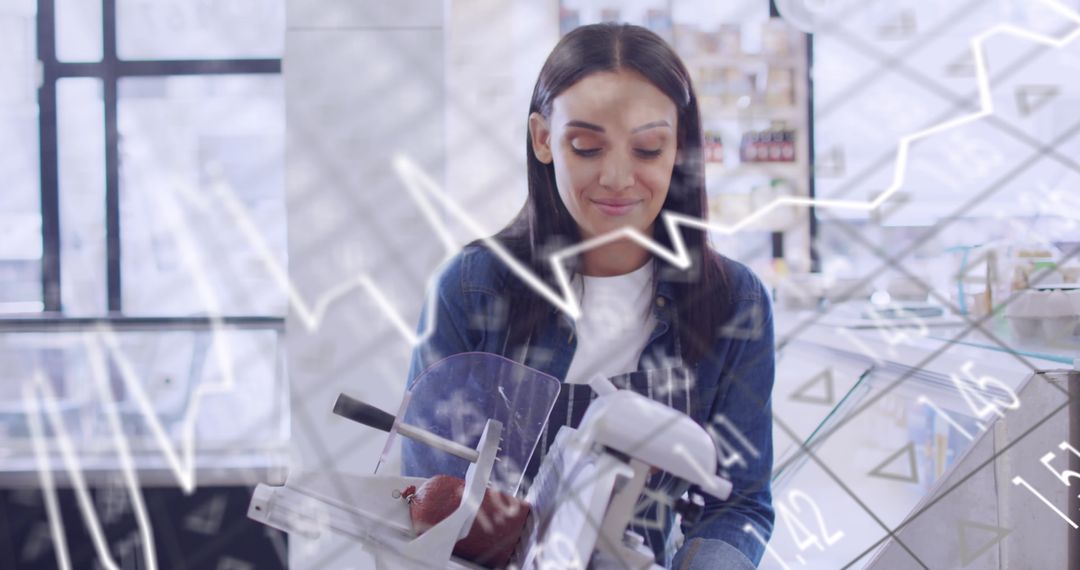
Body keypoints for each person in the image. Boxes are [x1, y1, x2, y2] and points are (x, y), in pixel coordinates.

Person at [402, 22, 775, 569]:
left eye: (648, 148)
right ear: (542, 139)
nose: (618, 177)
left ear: (681, 149)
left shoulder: (733, 303)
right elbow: (431, 500)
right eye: (587, 146)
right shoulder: (469, 290)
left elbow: (738, 504)